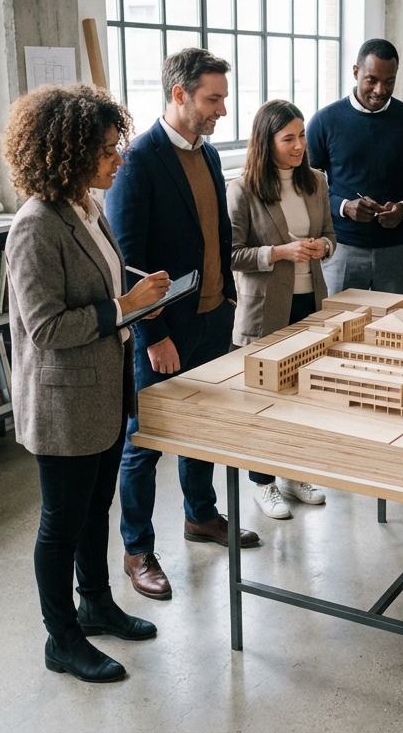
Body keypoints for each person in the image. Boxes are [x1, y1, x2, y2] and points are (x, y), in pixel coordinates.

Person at [3, 84, 172, 682]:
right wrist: (125, 305)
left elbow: (102, 278)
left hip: (103, 388)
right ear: (68, 152)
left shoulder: (85, 207)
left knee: (96, 506)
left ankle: (95, 603)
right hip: (64, 402)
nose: (117, 159)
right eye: (105, 150)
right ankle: (62, 638)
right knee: (61, 521)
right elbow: (46, 327)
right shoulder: (34, 226)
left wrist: (137, 294)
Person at [105, 48, 262, 603]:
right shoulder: (138, 162)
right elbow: (130, 261)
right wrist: (153, 335)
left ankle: (201, 516)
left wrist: (224, 307)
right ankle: (137, 550)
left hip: (213, 317)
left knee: (203, 431)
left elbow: (214, 237)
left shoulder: (209, 153)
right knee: (143, 444)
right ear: (179, 95)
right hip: (166, 330)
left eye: (222, 97)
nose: (222, 109)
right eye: (212, 99)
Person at [228, 99, 336, 518]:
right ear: (265, 141)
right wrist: (279, 252)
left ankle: (294, 472)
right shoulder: (242, 189)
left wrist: (321, 247)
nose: (298, 146)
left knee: (303, 395)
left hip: (311, 303)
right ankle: (263, 482)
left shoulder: (317, 182)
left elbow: (330, 236)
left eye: (302, 136)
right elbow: (232, 254)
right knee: (264, 400)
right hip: (265, 309)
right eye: (288, 138)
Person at [306, 38, 403, 300]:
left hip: (397, 251)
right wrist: (344, 206)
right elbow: (308, 189)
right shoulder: (324, 121)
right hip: (341, 249)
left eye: (389, 81)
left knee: (397, 335)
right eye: (371, 80)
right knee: (337, 331)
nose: (380, 89)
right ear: (356, 72)